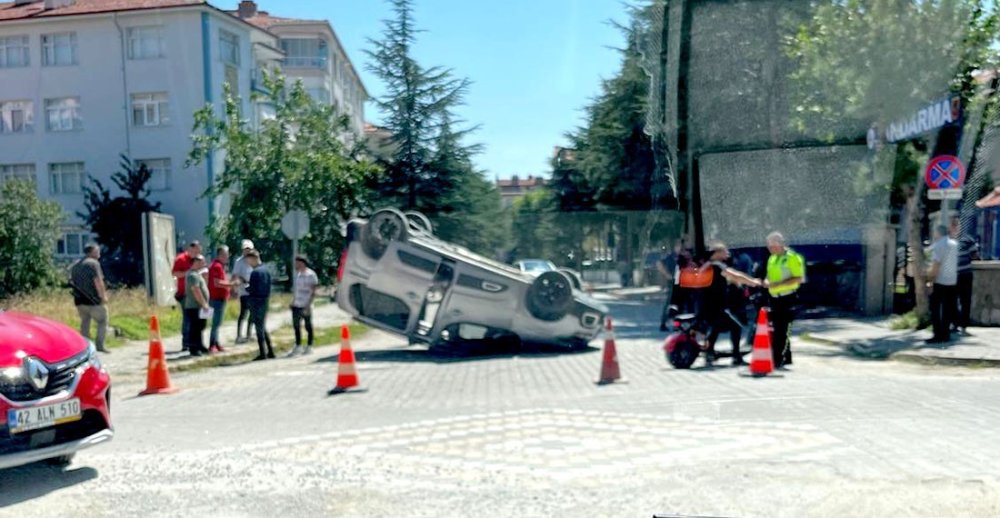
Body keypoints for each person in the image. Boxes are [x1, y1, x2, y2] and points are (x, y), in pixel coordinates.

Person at [697, 241, 761, 367]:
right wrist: (753, 282)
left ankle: (710, 353)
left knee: (715, 328)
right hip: (717, 306)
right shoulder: (717, 266)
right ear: (717, 253)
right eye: (724, 251)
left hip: (707, 306)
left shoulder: (706, 266)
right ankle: (736, 356)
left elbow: (730, 279)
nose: (728, 253)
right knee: (736, 326)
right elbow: (735, 275)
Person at [761, 232, 806, 369]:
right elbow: (768, 275)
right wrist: (766, 282)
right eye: (769, 245)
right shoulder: (772, 258)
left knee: (781, 329)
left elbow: (799, 278)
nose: (769, 248)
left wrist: (778, 284)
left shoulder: (793, 257)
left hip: (787, 297)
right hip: (774, 298)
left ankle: (776, 360)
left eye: (772, 245)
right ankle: (787, 357)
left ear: (780, 244)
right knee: (778, 329)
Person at [70, 243, 110, 353]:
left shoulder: (76, 265)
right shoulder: (93, 264)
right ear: (91, 252)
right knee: (102, 321)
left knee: (85, 322)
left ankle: (85, 346)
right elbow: (98, 281)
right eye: (97, 251)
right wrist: (103, 296)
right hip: (94, 300)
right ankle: (100, 345)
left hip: (79, 300)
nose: (99, 253)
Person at [927, 224, 959, 344]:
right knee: (948, 309)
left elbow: (936, 264)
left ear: (938, 233)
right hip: (952, 281)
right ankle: (945, 333)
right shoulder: (954, 244)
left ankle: (937, 334)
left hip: (940, 281)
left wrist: (930, 281)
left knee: (935, 309)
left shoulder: (939, 245)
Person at [951, 217, 980, 336]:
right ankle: (955, 323)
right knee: (952, 300)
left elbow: (975, 255)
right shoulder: (947, 240)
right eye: (953, 225)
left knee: (965, 300)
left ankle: (963, 325)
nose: (955, 227)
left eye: (956, 225)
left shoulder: (967, 240)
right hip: (952, 276)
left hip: (965, 275)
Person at [172, 241, 202, 352]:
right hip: (184, 293)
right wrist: (188, 273)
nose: (198, 252)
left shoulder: (196, 259)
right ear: (191, 248)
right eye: (197, 250)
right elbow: (175, 273)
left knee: (195, 319)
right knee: (187, 318)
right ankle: (186, 343)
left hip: (194, 293)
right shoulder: (181, 259)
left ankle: (193, 342)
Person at [246, 251, 275, 360]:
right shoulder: (266, 270)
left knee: (259, 328)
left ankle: (263, 352)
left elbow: (253, 289)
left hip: (256, 301)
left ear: (253, 258)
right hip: (265, 300)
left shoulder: (255, 272)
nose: (248, 263)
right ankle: (270, 351)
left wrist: (246, 288)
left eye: (248, 260)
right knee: (262, 327)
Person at [288, 256, 319, 357]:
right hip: (297, 303)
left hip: (306, 303)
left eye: (297, 263)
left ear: (302, 263)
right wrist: (292, 301)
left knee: (308, 325)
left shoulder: (311, 275)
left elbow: (313, 291)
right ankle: (298, 345)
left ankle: (309, 345)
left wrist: (308, 305)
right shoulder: (297, 275)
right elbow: (296, 290)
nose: (295, 265)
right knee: (296, 325)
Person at [183, 254, 211, 357]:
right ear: (196, 262)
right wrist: (204, 304)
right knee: (195, 328)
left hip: (200, 307)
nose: (203, 264)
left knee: (200, 327)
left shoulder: (197, 274)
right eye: (201, 262)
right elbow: (196, 290)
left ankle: (200, 345)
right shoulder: (192, 275)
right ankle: (194, 348)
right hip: (195, 306)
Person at [208, 246, 234, 353]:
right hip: (216, 298)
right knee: (216, 322)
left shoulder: (221, 266)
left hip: (221, 298)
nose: (227, 256)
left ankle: (217, 343)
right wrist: (231, 284)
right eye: (224, 254)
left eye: (227, 254)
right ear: (219, 255)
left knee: (218, 322)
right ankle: (212, 344)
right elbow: (217, 282)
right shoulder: (216, 266)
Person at [232, 240, 256, 344]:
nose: (247, 251)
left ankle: (249, 334)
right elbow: (235, 275)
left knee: (253, 314)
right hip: (244, 291)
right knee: (243, 313)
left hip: (253, 290)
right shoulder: (239, 261)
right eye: (245, 249)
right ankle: (238, 335)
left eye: (249, 249)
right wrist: (237, 286)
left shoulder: (254, 259)